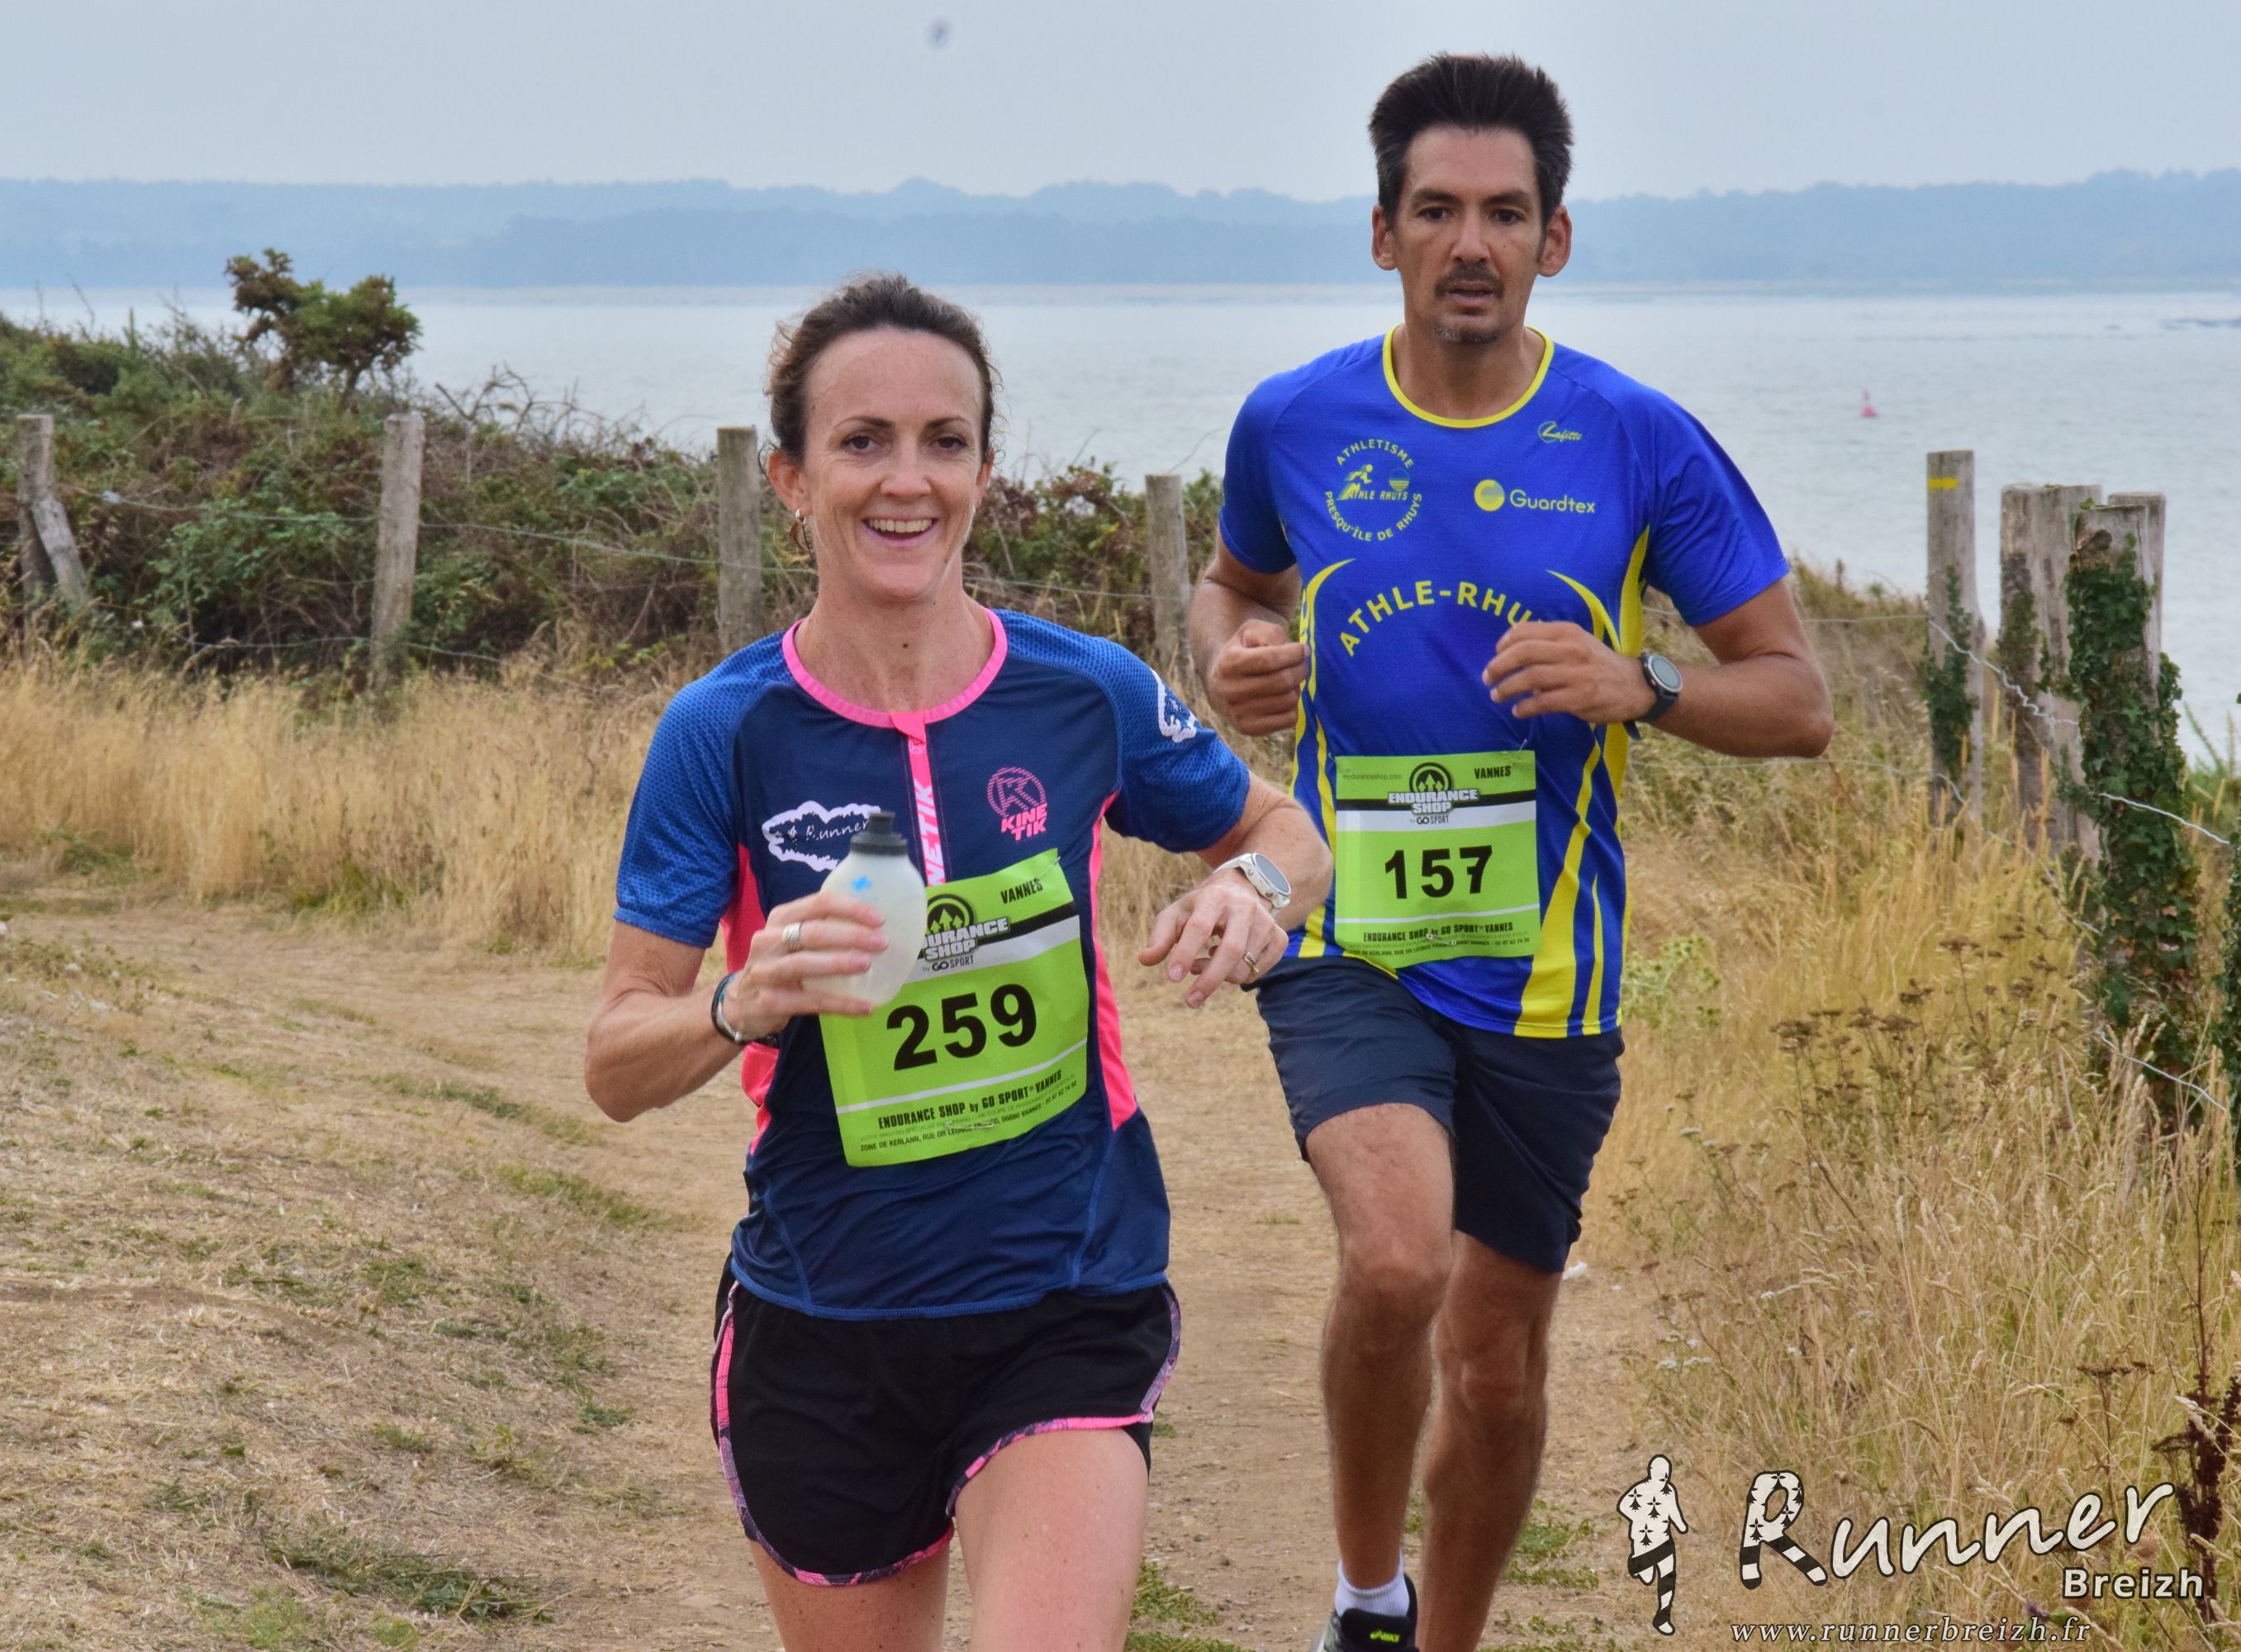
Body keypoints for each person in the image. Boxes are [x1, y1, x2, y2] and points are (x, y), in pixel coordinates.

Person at [1189, 54, 1834, 1652]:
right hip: (1346, 931)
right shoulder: (1293, 420)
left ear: (1553, 238)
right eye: (1434, 210)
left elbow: (1797, 699)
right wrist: (1231, 658)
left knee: (1493, 1369)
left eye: (1501, 212)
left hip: (1548, 971)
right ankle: (1364, 1597)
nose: (1466, 242)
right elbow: (1230, 588)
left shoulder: (1635, 438)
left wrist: (1643, 683)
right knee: (1394, 1260)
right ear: (1381, 233)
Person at [584, 274, 1330, 1652]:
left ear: (986, 471)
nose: (906, 480)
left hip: (1067, 1294)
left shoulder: (1082, 691)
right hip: (825, 1319)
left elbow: (1285, 829)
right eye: (862, 442)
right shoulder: (723, 731)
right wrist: (744, 1001)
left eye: (945, 441)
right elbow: (617, 1063)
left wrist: (1254, 887)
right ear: (792, 479)